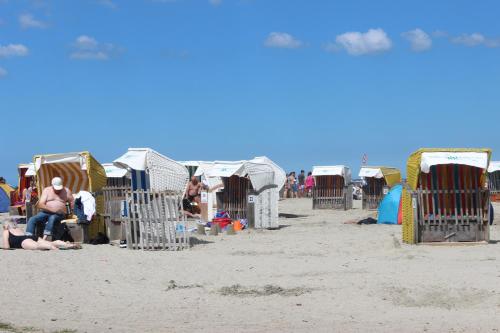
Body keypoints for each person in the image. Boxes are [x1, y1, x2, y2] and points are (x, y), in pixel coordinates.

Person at [2, 218, 80, 250]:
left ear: (6, 226)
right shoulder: (19, 229)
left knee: (37, 246)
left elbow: (6, 246)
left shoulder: (6, 231)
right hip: (30, 237)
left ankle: (53, 248)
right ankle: (68, 245)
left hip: (22, 241)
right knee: (51, 242)